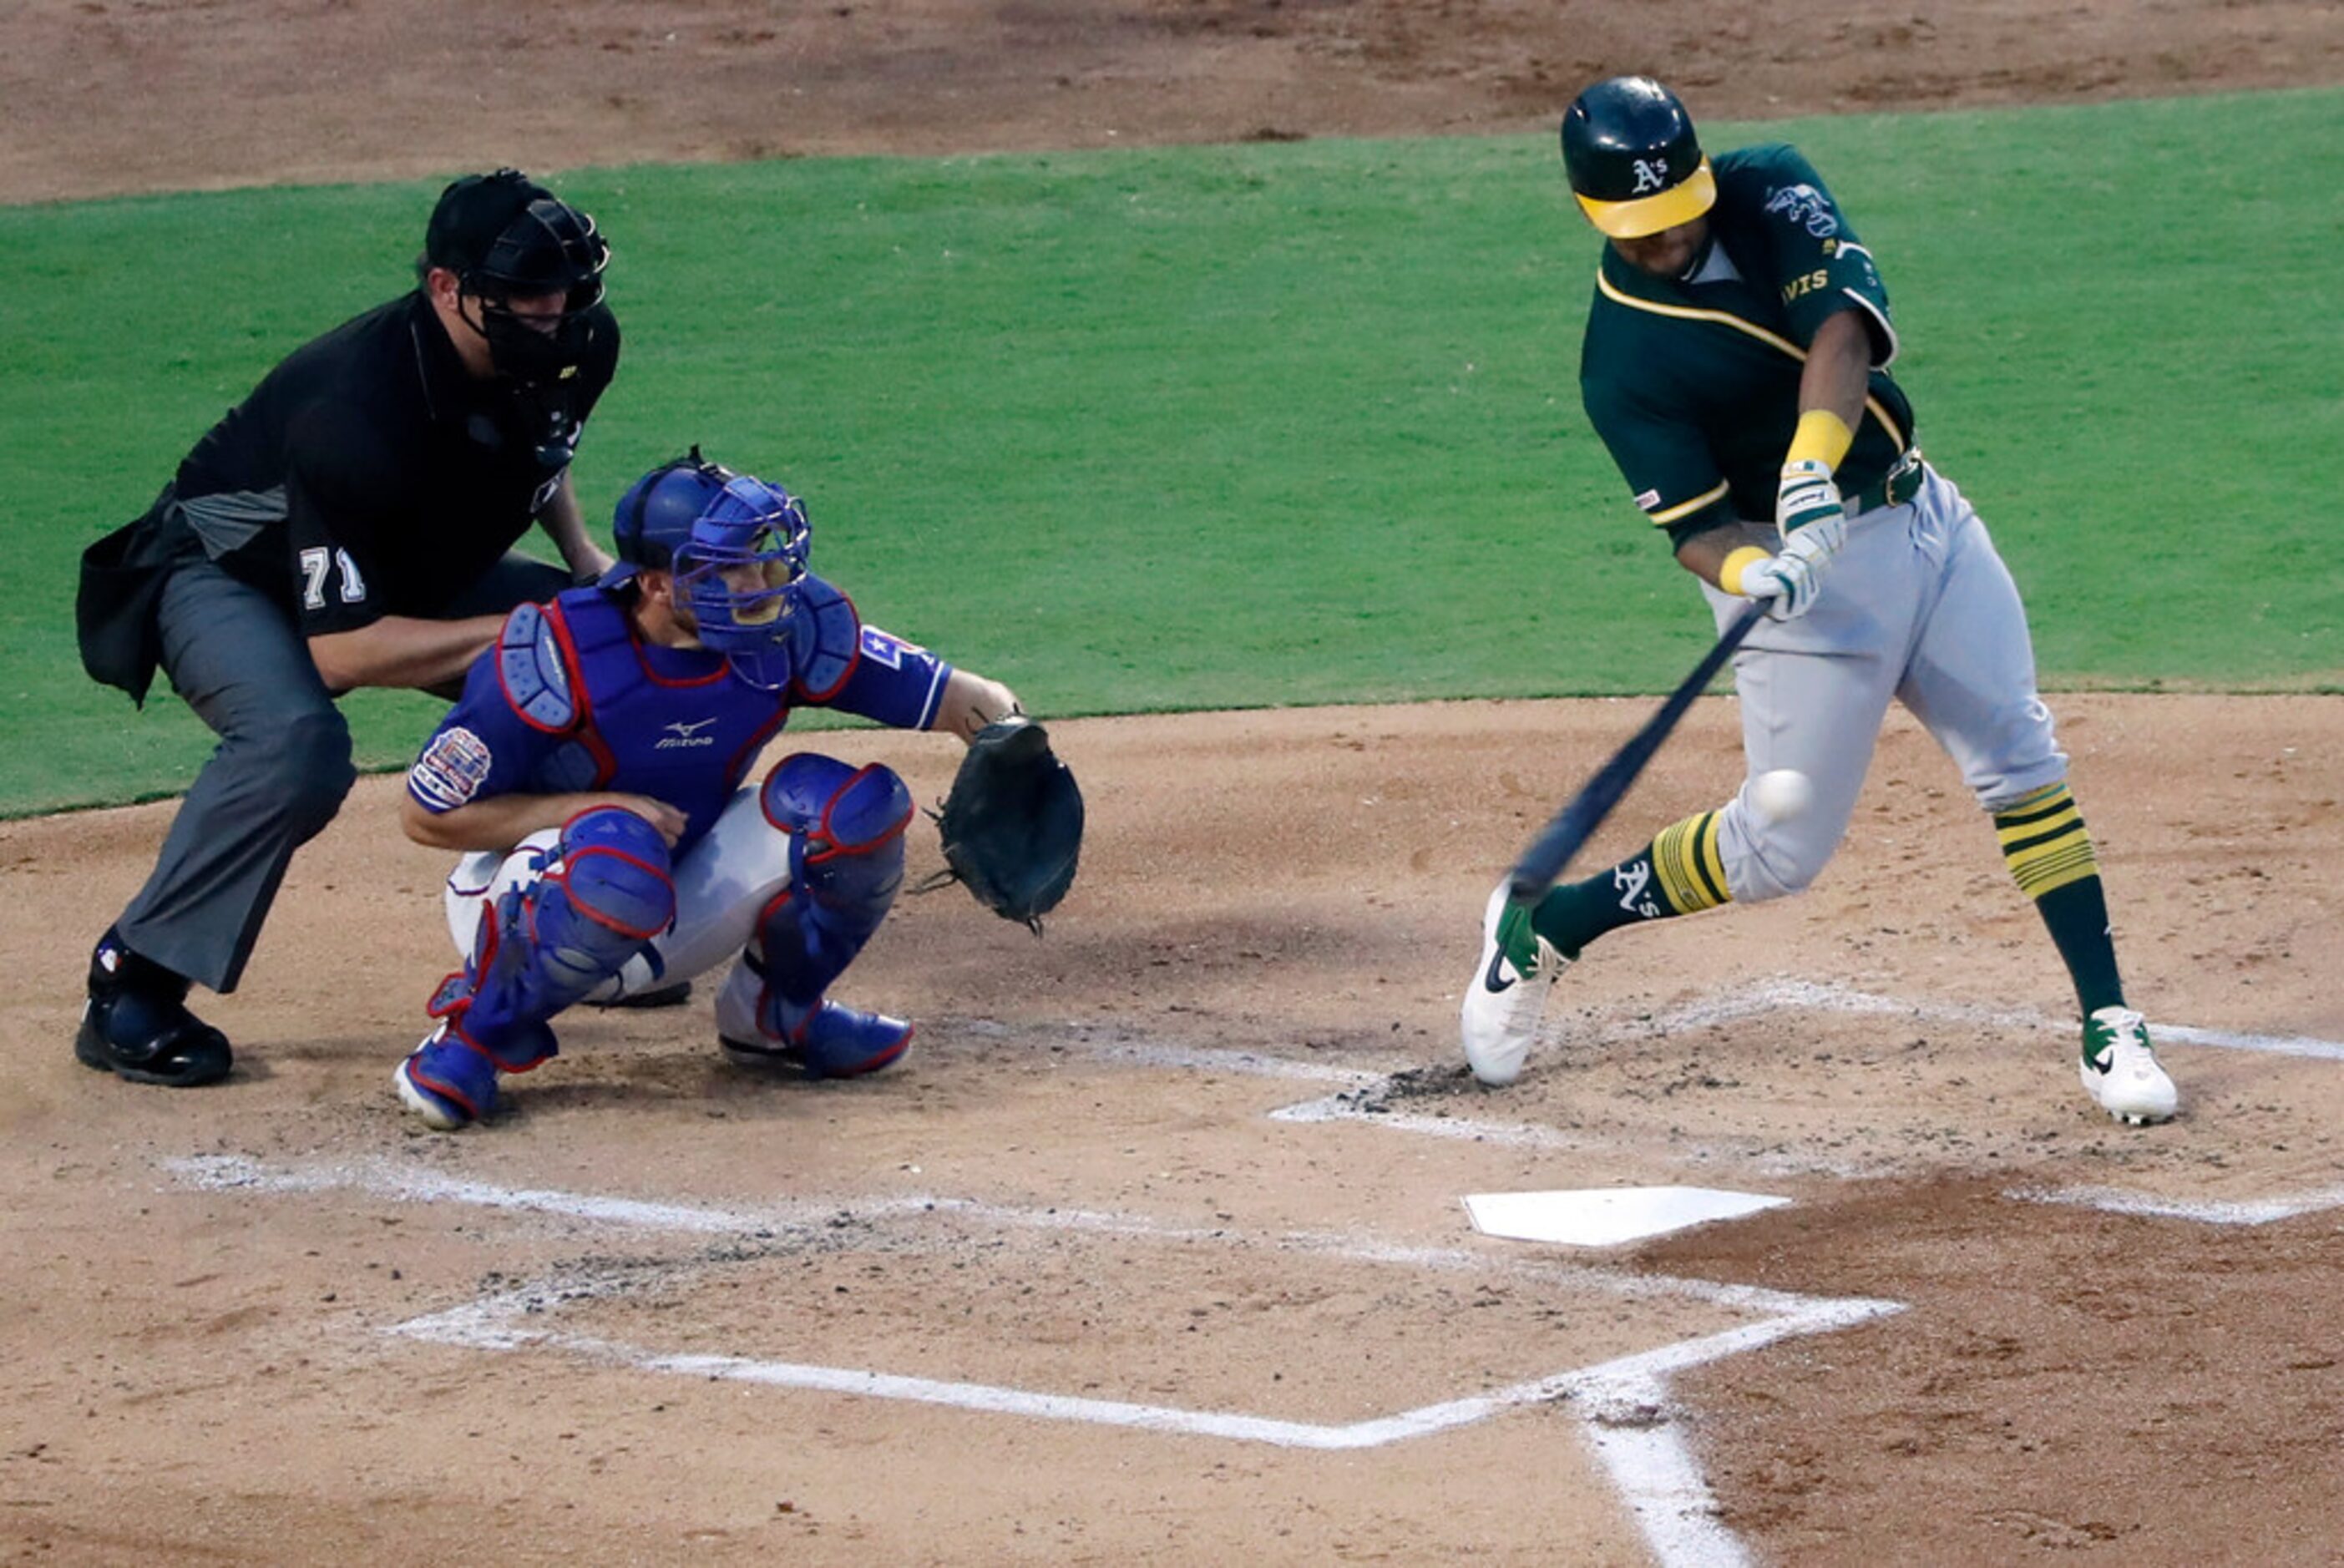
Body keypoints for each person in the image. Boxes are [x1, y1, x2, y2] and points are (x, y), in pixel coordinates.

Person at [1459, 77, 2177, 1126]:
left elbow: (1839, 329)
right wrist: (1756, 570)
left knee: (2020, 762)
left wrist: (1808, 464)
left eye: (1681, 214)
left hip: (1923, 521)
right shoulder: (1621, 361)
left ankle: (2108, 1022)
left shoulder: (1768, 188)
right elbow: (1693, 532)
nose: (1672, 239)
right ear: (1592, 216)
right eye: (1645, 231)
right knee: (1774, 851)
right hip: (1807, 596)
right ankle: (1551, 925)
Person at [72, 169, 622, 1090]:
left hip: (405, 559)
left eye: (561, 289)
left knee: (612, 663)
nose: (550, 311)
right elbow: (345, 654)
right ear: (447, 288)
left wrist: (583, 563)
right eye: (524, 293)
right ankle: (135, 978)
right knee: (296, 744)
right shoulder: (353, 409)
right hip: (225, 575)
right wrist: (526, 635)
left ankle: (582, 920)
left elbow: (542, 447)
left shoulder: (572, 339)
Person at [392, 449, 1025, 1130]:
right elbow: (427, 817)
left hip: (674, 891)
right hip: (525, 891)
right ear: (659, 585)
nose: (761, 580)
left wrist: (1017, 753)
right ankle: (474, 1036)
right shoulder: (558, 656)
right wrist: (584, 807)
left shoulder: (785, 630)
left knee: (853, 812)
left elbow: (968, 699)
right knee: (619, 854)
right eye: (731, 568)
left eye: (760, 555)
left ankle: (772, 1019)